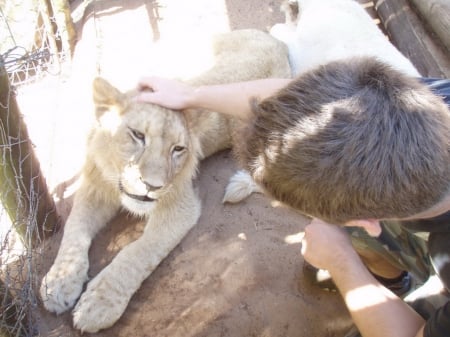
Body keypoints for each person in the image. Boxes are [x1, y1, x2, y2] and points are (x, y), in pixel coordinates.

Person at [136, 56, 450, 337]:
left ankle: (395, 284)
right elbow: (302, 100)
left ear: (368, 221)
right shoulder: (414, 102)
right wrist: (194, 95)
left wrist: (341, 261)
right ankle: (394, 282)